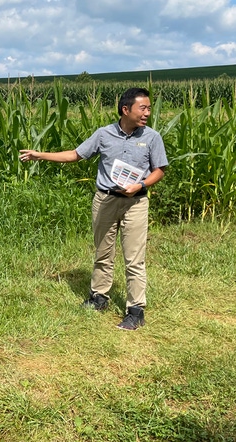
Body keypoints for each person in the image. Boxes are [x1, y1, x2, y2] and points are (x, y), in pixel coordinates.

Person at [19, 87, 168, 331]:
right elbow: (75, 155)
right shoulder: (104, 134)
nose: (148, 113)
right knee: (103, 252)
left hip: (136, 202)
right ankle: (99, 297)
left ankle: (135, 310)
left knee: (134, 258)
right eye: (143, 108)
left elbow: (159, 170)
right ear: (125, 109)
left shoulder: (152, 137)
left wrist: (139, 185)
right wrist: (40, 155)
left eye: (149, 108)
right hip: (106, 200)